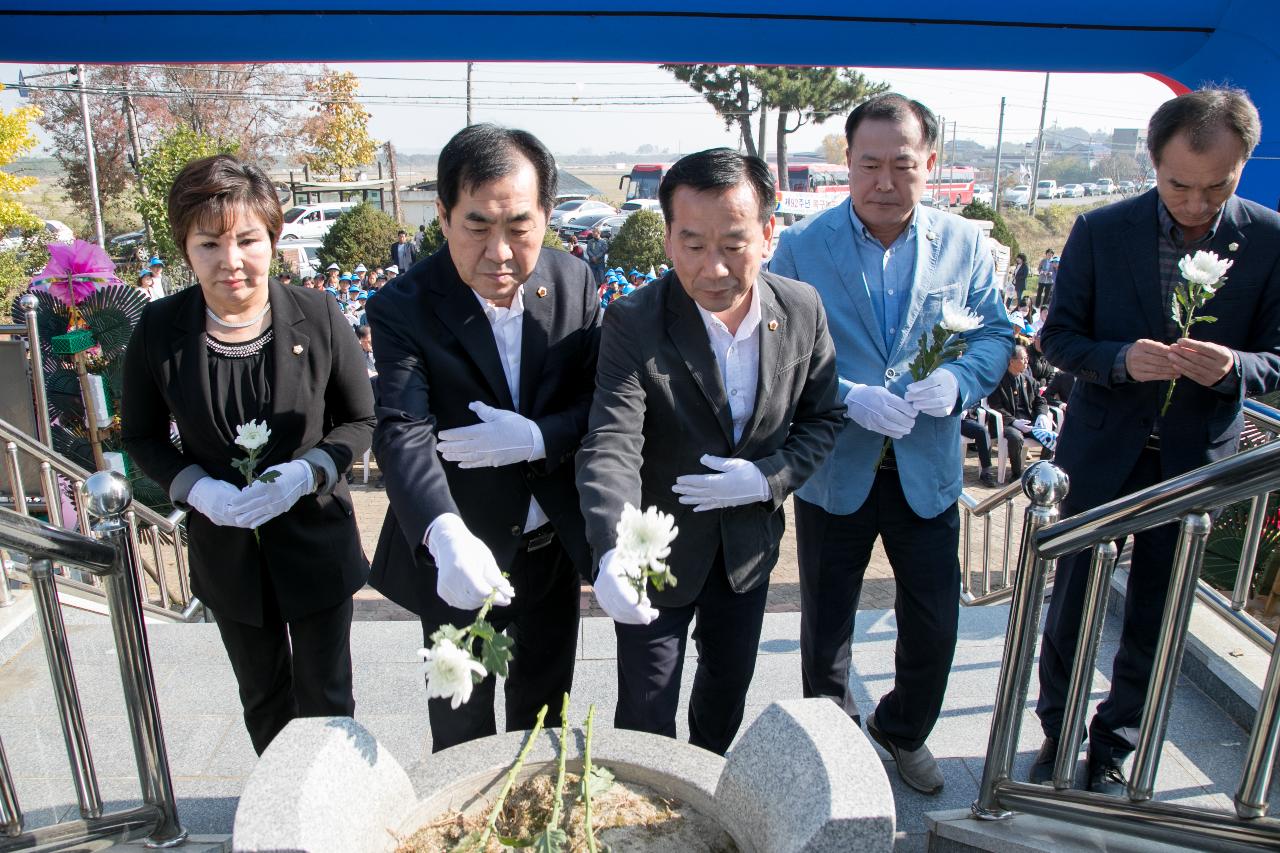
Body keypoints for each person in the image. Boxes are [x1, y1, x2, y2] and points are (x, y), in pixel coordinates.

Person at [1031, 87, 1280, 793]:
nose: (1196, 204)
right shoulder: (1101, 230)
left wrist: (1237, 367)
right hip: (1099, 450)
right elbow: (1058, 338)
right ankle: (1058, 732)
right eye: (1179, 185)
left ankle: (1114, 746)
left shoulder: (1268, 239)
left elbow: (1278, 356)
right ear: (1153, 162)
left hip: (1194, 460)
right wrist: (1116, 359)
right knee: (1071, 601)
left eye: (1217, 187)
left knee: (1157, 610)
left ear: (1243, 167)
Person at [769, 93, 1012, 794]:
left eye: (901, 165)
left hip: (925, 467)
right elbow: (780, 347)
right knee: (827, 628)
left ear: (929, 163)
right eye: (868, 163)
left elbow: (994, 334)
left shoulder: (964, 243)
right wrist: (846, 394)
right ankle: (836, 752)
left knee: (935, 623)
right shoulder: (803, 246)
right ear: (845, 162)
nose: (883, 181)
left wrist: (960, 382)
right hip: (835, 470)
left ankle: (900, 728)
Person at [576, 148, 843, 756]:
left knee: (726, 693)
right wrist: (614, 544)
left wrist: (768, 478)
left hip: (746, 552)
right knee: (645, 708)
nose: (715, 268)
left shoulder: (802, 310)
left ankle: (707, 791)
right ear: (669, 240)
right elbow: (612, 439)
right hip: (655, 552)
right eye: (694, 246)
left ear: (768, 233)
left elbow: (823, 417)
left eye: (734, 244)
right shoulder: (634, 320)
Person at [121, 154, 376, 755]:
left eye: (247, 240)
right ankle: (279, 816)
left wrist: (309, 470)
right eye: (209, 243)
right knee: (262, 697)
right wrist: (195, 488)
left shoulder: (316, 315)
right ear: (185, 247)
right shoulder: (160, 329)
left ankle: (333, 808)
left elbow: (362, 418)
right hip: (228, 550)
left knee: (327, 694)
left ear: (273, 239)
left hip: (314, 540)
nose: (230, 261)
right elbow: (141, 437)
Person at [367, 124, 600, 752]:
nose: (500, 252)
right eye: (477, 226)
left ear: (547, 216)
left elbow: (596, 404)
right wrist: (443, 535)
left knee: (545, 711)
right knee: (461, 719)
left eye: (519, 227)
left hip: (549, 544)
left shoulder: (574, 282)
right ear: (442, 217)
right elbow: (401, 429)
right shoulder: (403, 306)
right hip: (459, 548)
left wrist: (537, 437)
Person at [988, 345, 1054, 480]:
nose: (1026, 362)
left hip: (1028, 422)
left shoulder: (1029, 380)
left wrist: (1042, 414)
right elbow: (995, 407)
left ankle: (1040, 472)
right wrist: (1014, 421)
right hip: (1007, 423)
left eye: (1027, 358)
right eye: (1023, 359)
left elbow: (1040, 401)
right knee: (1016, 437)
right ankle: (1017, 474)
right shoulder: (998, 381)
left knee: (1051, 437)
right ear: (1011, 361)